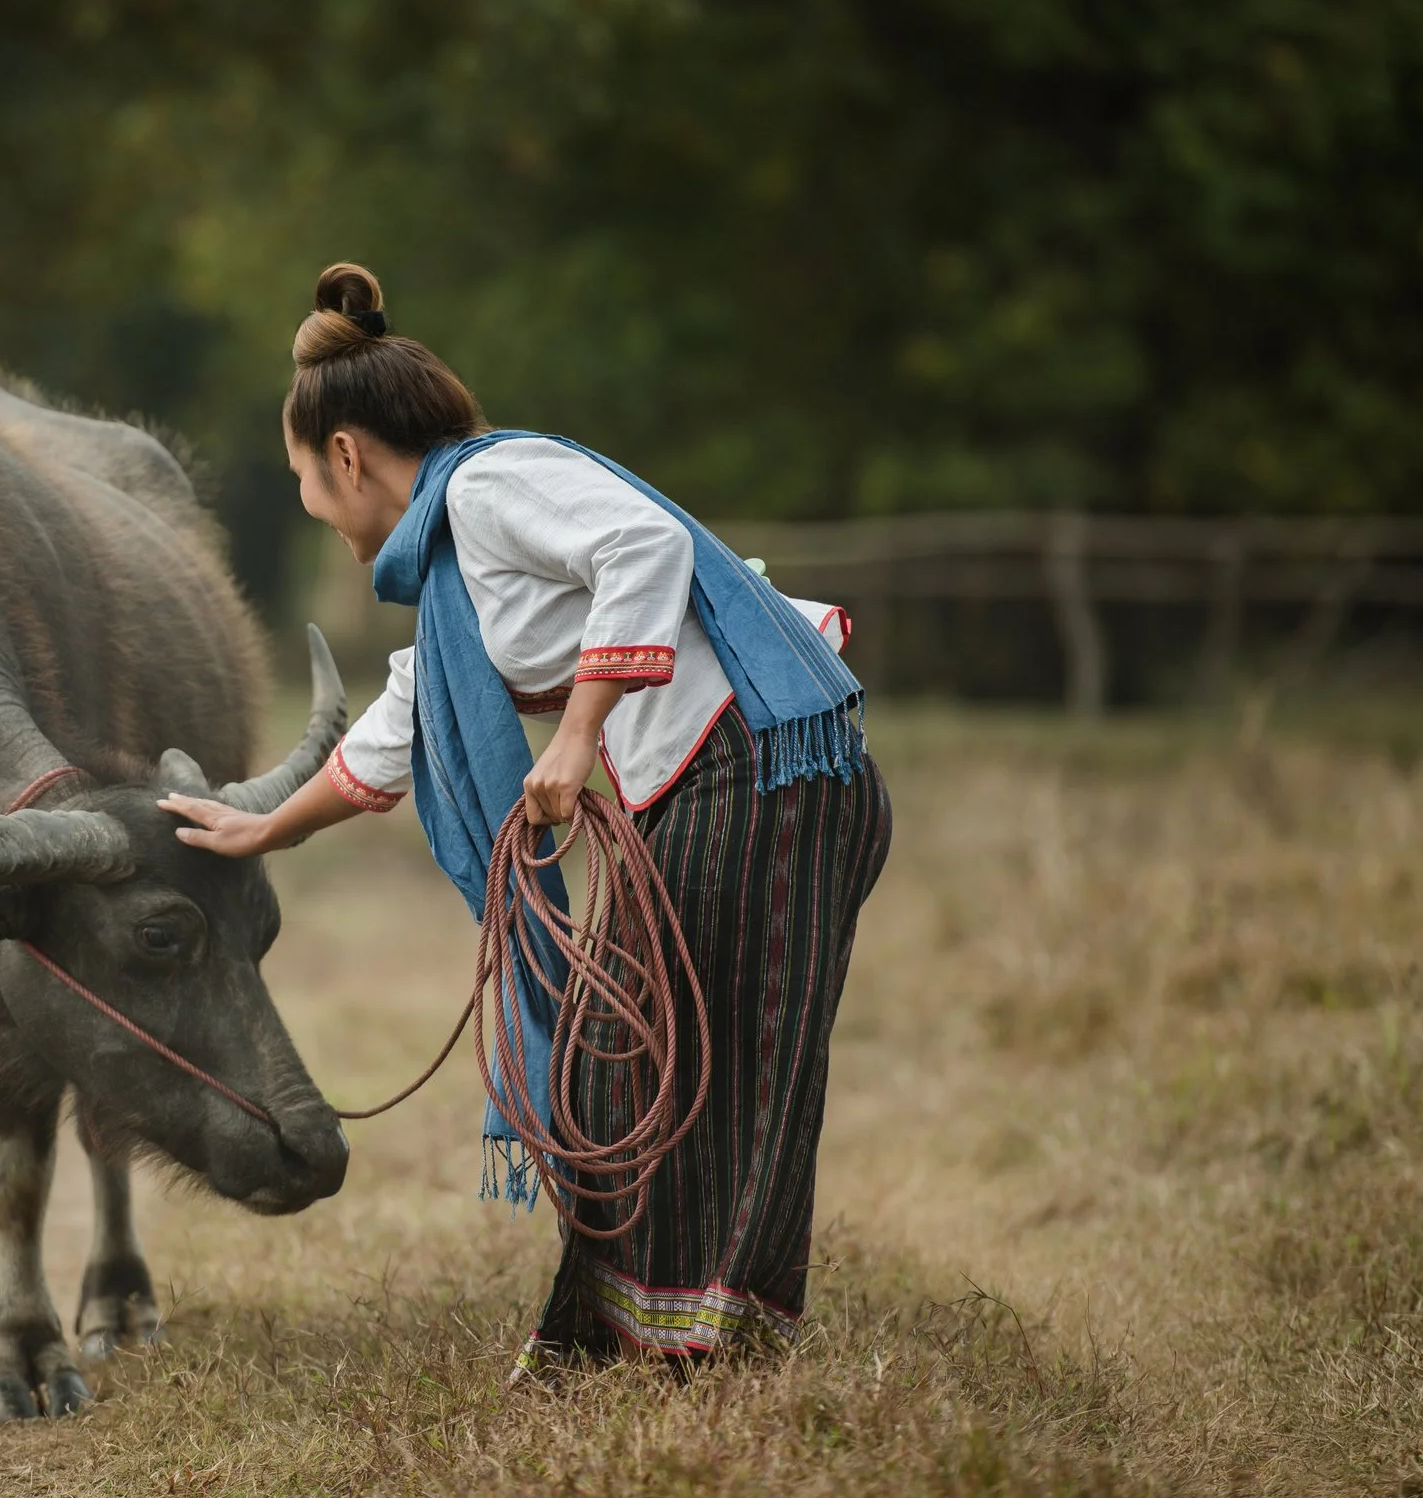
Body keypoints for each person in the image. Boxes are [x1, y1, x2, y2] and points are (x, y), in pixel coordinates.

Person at [158, 263, 890, 1370]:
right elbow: (396, 727)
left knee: (706, 1066)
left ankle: (697, 1351)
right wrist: (260, 829)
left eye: (303, 476)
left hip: (760, 773)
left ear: (346, 457)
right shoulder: (456, 577)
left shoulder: (490, 487)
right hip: (724, 785)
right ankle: (617, 1337)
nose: (310, 498)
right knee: (619, 1067)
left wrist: (577, 732)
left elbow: (643, 547)